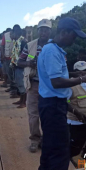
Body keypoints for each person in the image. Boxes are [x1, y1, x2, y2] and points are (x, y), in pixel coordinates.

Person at [36, 17, 86, 170]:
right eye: (74, 36)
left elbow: (59, 75)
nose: (75, 40)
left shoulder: (55, 50)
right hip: (53, 105)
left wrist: (74, 74)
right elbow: (57, 82)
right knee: (62, 150)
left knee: (50, 143)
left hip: (53, 103)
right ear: (64, 32)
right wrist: (82, 78)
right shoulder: (52, 51)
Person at [17, 19, 52, 152]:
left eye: (46, 29)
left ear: (50, 31)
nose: (43, 32)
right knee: (33, 114)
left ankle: (46, 139)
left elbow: (62, 63)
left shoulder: (54, 45)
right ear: (38, 31)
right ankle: (34, 139)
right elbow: (19, 61)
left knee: (48, 114)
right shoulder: (30, 45)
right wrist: (29, 63)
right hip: (34, 84)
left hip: (50, 86)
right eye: (41, 29)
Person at [10, 25, 27, 106]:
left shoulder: (23, 42)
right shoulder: (16, 42)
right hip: (16, 65)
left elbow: (29, 54)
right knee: (18, 82)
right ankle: (21, 99)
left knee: (22, 83)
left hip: (21, 65)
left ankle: (24, 102)